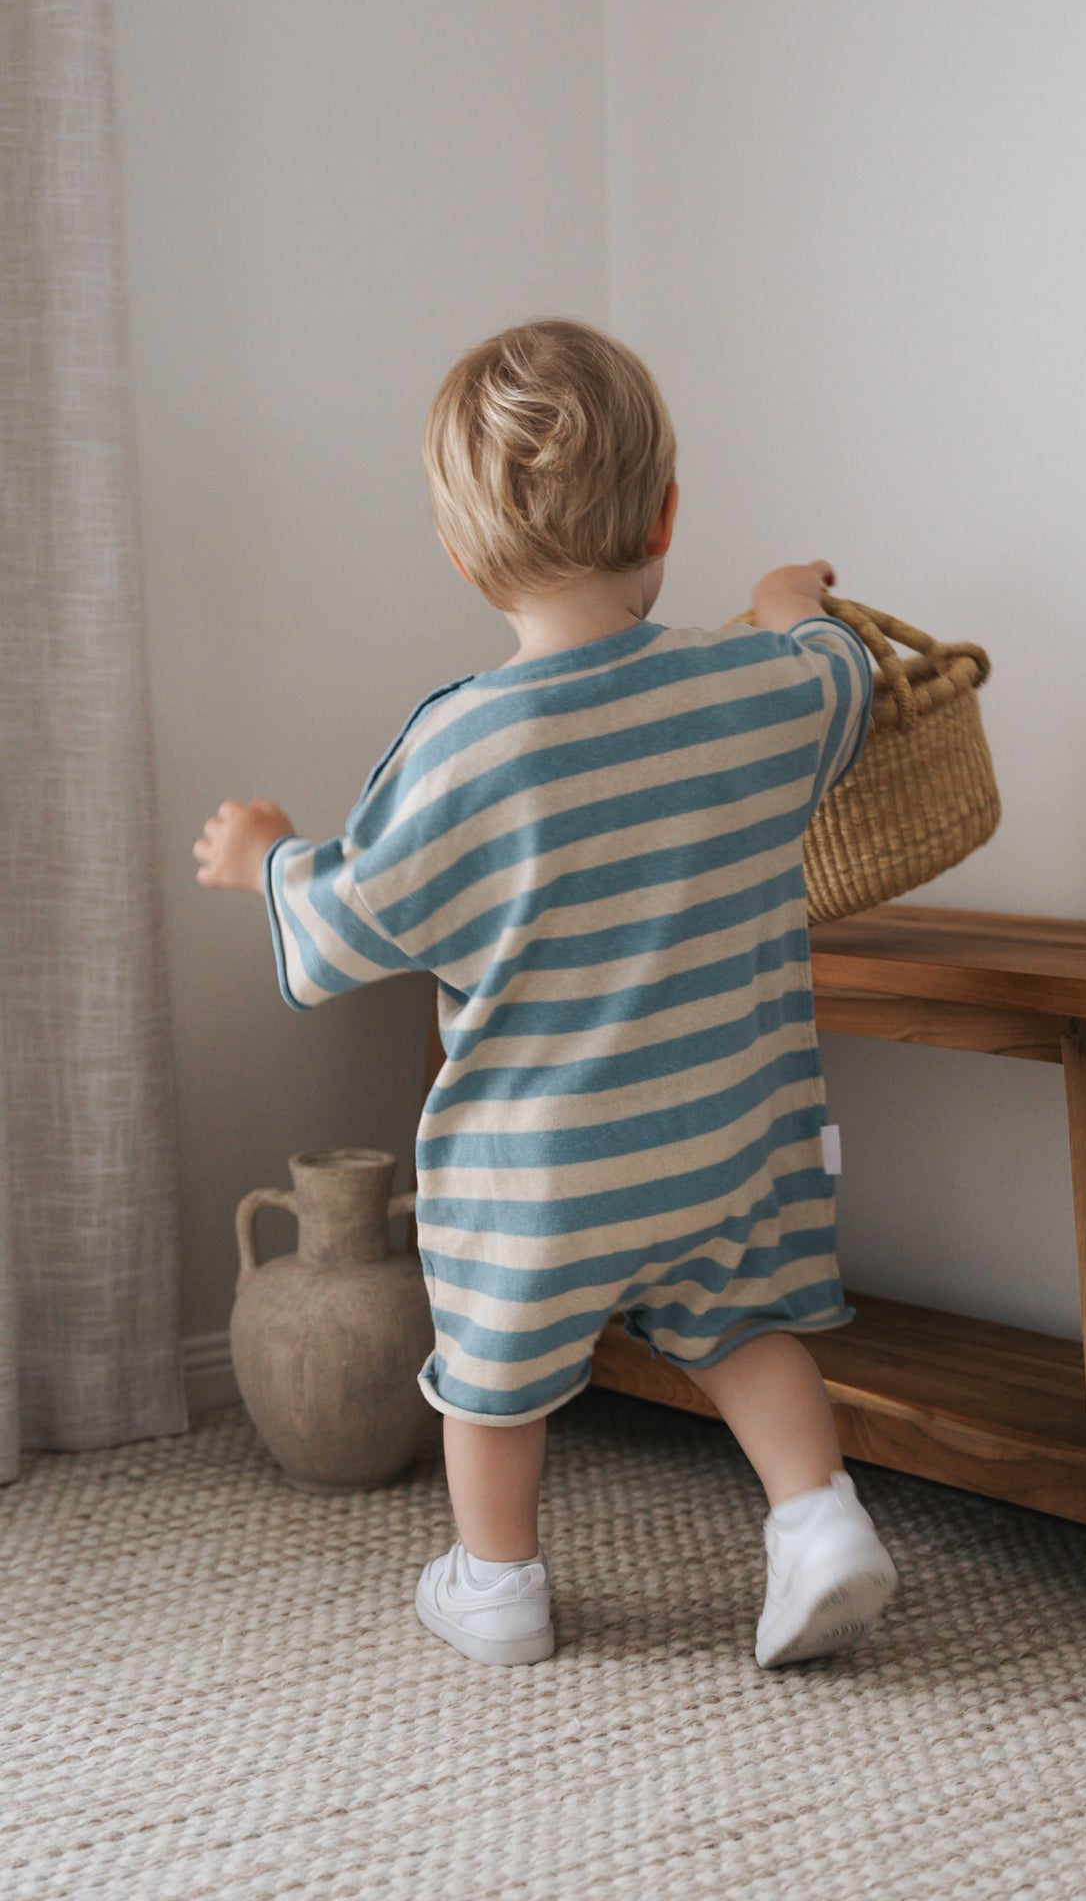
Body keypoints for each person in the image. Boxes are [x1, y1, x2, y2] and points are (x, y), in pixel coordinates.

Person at [194, 319, 896, 1670]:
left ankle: (500, 1582)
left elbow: (343, 929)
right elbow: (843, 680)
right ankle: (817, 1521)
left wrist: (265, 856)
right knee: (743, 1327)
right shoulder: (750, 686)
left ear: (462, 554)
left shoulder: (464, 742)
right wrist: (789, 609)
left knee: (493, 1372)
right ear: (669, 513)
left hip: (541, 1171)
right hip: (719, 1137)